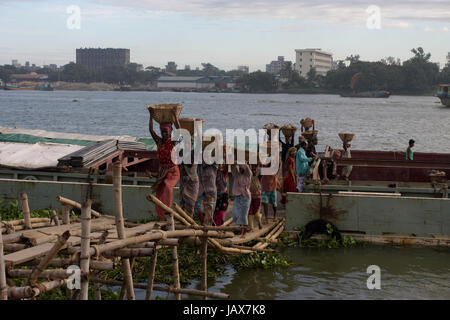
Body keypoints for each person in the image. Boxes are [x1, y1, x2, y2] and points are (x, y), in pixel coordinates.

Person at [148, 106, 181, 220]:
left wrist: (175, 116)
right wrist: (151, 116)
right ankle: (161, 217)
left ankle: (167, 212)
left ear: (170, 132)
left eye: (166, 132)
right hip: (162, 171)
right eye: (162, 132)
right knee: (159, 192)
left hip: (173, 172)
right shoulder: (159, 142)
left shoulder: (172, 142)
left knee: (167, 186)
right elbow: (151, 131)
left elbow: (180, 130)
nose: (164, 134)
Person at [231, 163, 252, 238]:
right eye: (239, 167)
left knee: (243, 216)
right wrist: (233, 162)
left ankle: (244, 233)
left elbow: (246, 167)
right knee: (235, 214)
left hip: (245, 197)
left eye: (241, 167)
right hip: (237, 197)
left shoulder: (248, 174)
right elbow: (233, 167)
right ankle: (241, 230)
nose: (240, 168)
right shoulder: (237, 175)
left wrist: (241, 162)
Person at [248, 164, 263, 230]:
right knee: (250, 212)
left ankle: (259, 222)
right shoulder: (248, 176)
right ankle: (251, 228)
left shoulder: (259, 177)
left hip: (257, 198)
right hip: (249, 197)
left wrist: (261, 163)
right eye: (252, 170)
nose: (254, 171)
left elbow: (262, 169)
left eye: (255, 170)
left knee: (256, 214)